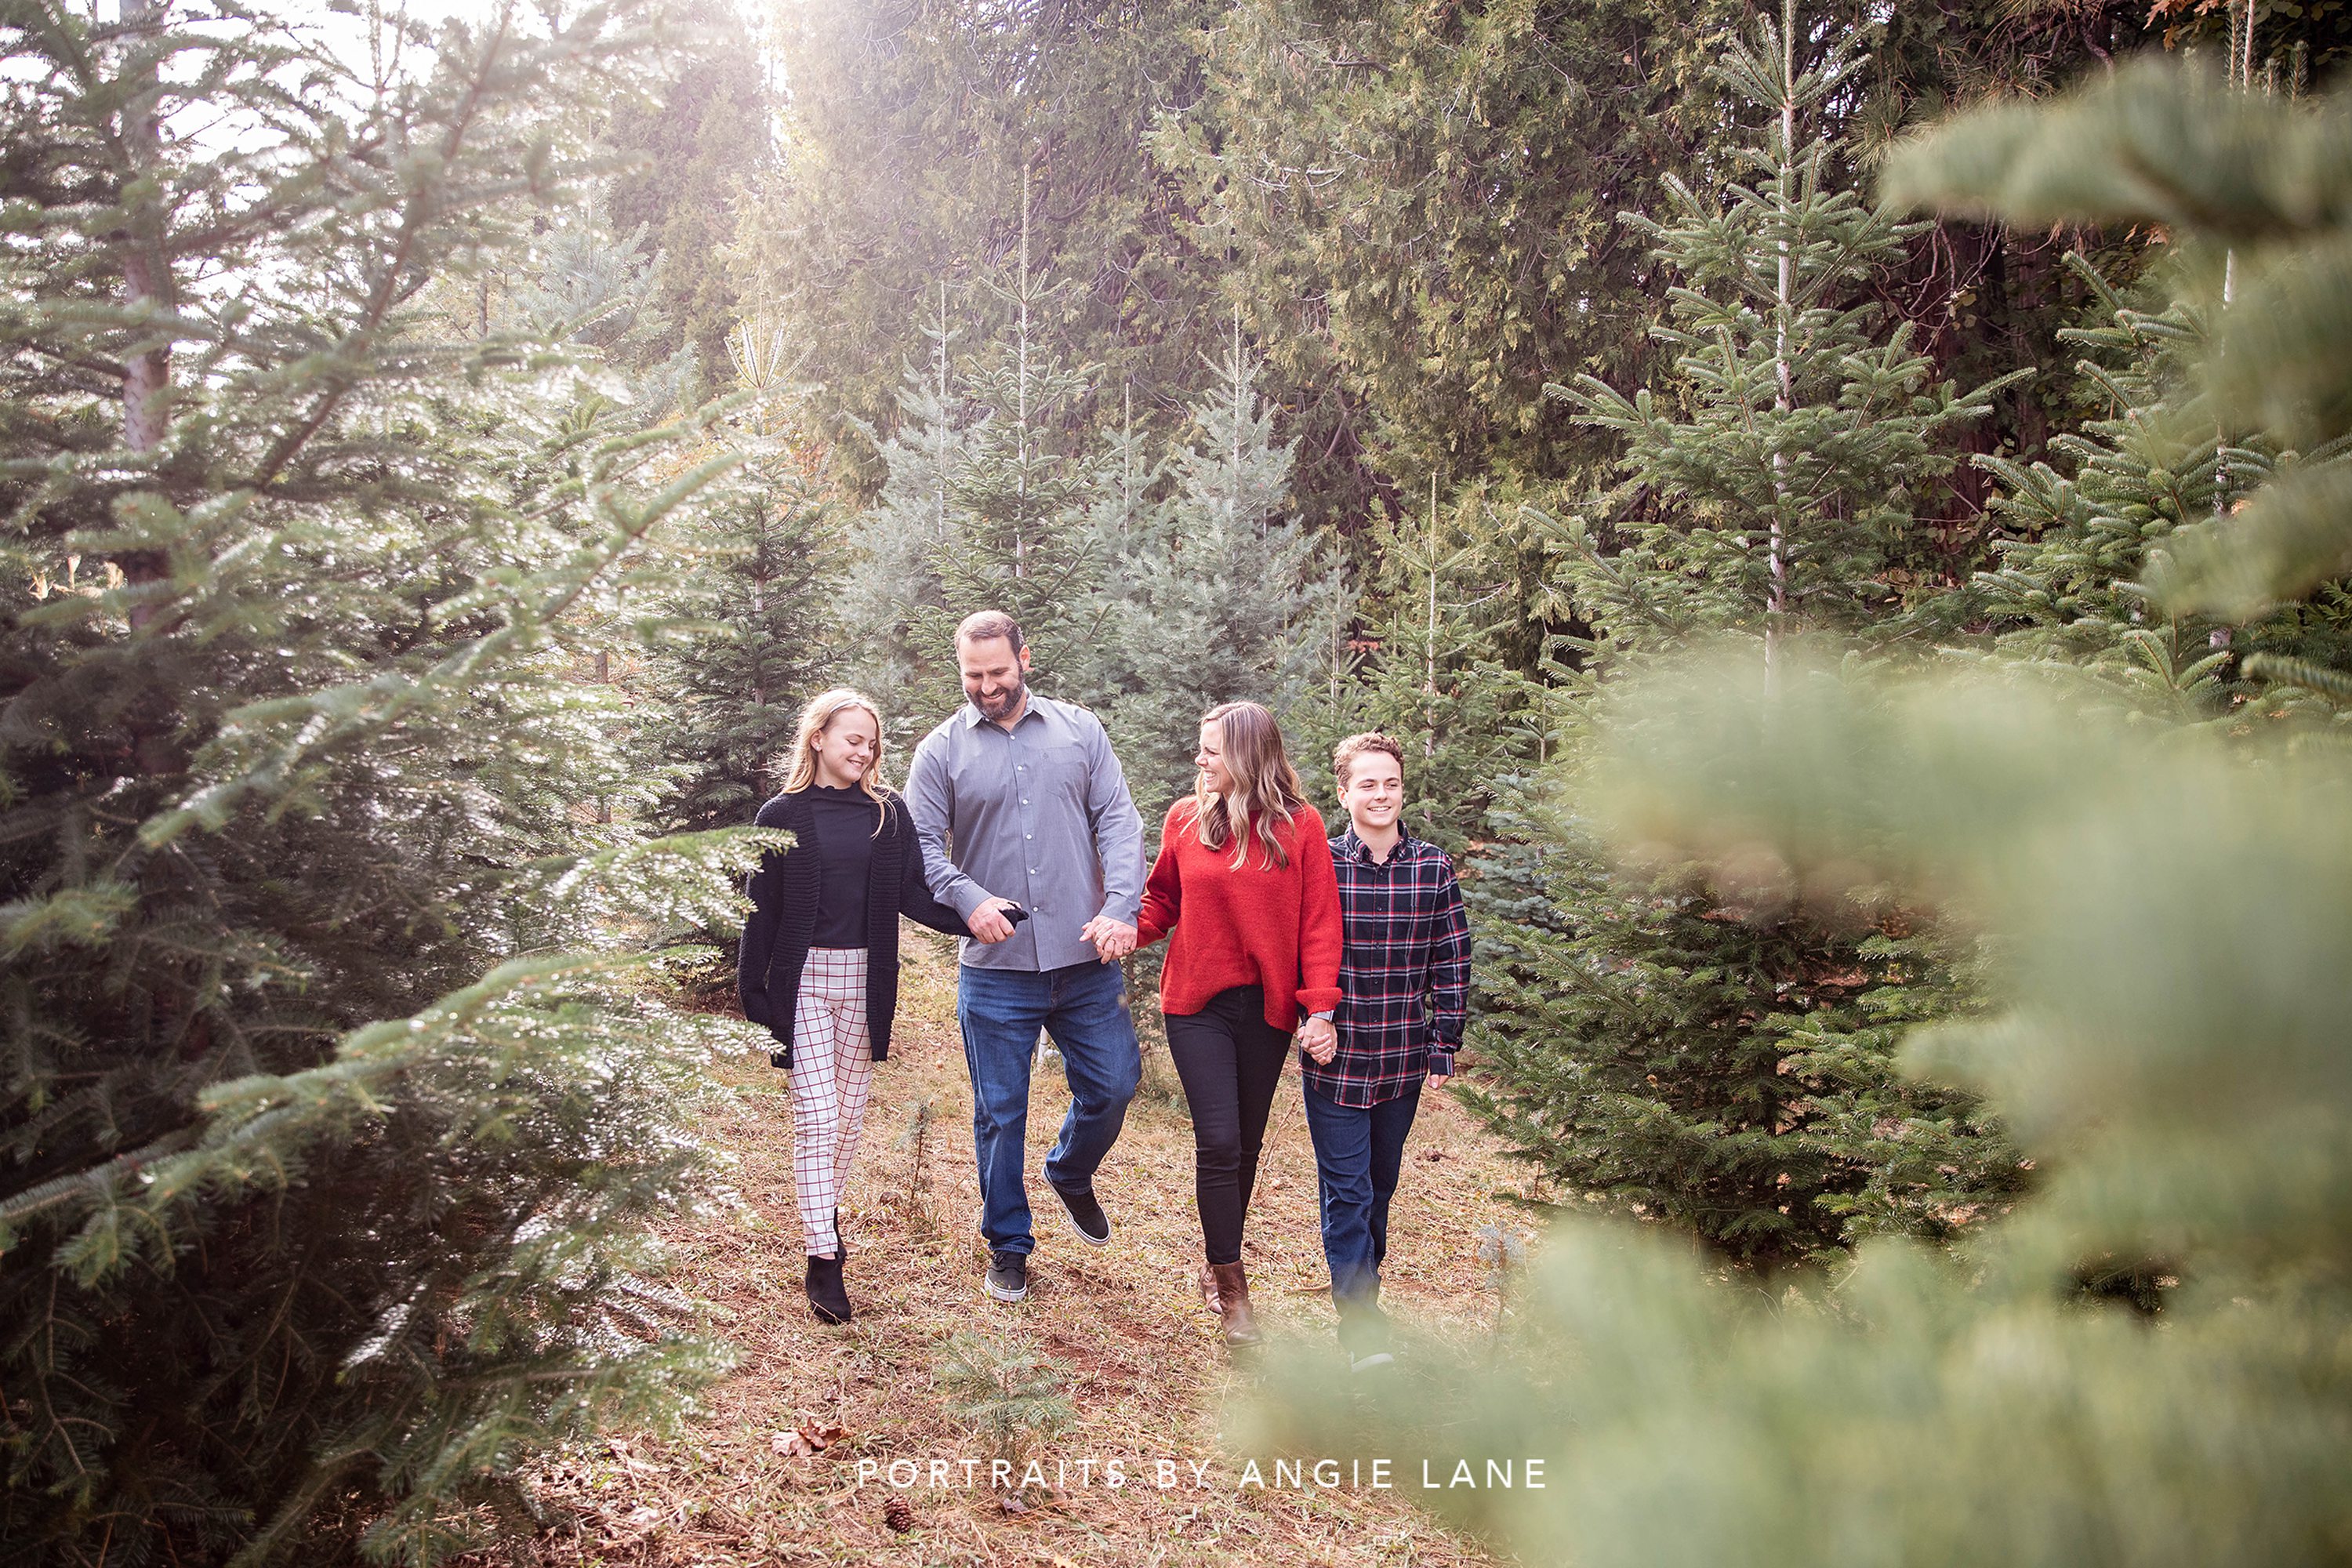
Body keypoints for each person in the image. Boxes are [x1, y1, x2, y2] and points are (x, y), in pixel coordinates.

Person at [905, 611, 1148, 1305]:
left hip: (1084, 959)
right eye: (973, 675)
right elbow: (920, 849)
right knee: (1000, 1112)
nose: (987, 687)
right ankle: (1008, 1245)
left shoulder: (1080, 731)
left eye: (998, 672)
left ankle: (1069, 1170)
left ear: (1025, 660)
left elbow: (1118, 821)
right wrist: (969, 898)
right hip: (996, 972)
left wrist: (1121, 907)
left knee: (1114, 1084)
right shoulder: (940, 752)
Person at [738, 689, 969, 1326]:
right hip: (804, 982)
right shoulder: (781, 814)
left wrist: (976, 918)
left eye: (872, 742)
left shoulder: (886, 814)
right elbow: (761, 910)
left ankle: (823, 1219)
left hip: (866, 983)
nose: (864, 752)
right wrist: (753, 991)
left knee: (847, 1120)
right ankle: (823, 1255)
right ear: (818, 738)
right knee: (817, 1116)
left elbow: (912, 895)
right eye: (853, 739)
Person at [1135, 701, 1343, 1347]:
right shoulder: (1186, 817)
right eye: (1200, 748)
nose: (1200, 759)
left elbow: (1319, 922)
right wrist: (1124, 930)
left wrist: (1319, 1006)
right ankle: (1233, 1291)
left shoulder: (1301, 826)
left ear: (1248, 756)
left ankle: (1215, 1256)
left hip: (1267, 1009)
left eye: (1212, 750)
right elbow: (1161, 900)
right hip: (1197, 1004)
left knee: (1246, 1146)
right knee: (1220, 1141)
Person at [1300, 732, 1471, 1370]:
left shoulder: (1432, 868)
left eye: (1391, 783)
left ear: (1402, 791)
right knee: (1347, 1192)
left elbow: (1451, 960)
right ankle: (1362, 1327)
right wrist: (1308, 1018)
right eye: (1367, 784)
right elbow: (1293, 951)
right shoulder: (1319, 863)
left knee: (1379, 1187)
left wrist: (1444, 1044)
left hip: (1401, 1059)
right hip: (1335, 1061)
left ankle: (1365, 1287)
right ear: (1343, 793)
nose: (1381, 794)